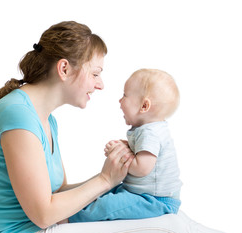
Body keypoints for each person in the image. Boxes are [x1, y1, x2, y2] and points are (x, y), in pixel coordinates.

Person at [0, 21, 241, 233]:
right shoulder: (18, 115)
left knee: (173, 219)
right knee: (173, 231)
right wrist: (104, 180)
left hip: (43, 229)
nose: (100, 85)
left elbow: (59, 192)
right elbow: (44, 214)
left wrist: (115, 175)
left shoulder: (45, 120)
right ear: (64, 68)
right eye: (96, 73)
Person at [68, 68, 182, 223]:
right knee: (106, 193)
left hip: (155, 201)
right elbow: (143, 154)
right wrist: (126, 145)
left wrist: (121, 154)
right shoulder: (149, 129)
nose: (120, 101)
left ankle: (68, 219)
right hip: (141, 194)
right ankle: (72, 206)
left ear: (144, 106)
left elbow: (142, 168)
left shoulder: (150, 133)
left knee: (108, 205)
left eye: (125, 95)